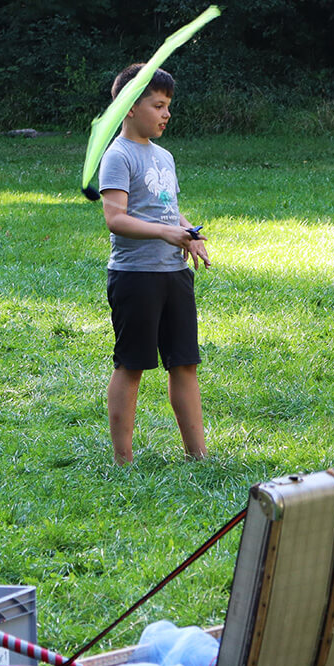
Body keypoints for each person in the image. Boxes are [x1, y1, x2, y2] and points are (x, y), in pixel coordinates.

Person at [98, 64, 210, 464]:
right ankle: (123, 460)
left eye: (168, 106)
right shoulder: (118, 156)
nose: (166, 114)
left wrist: (188, 234)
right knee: (132, 365)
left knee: (184, 363)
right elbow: (116, 219)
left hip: (173, 274)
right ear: (129, 107)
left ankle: (198, 456)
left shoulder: (164, 155)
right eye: (158, 106)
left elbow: (169, 210)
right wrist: (165, 234)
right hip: (135, 278)